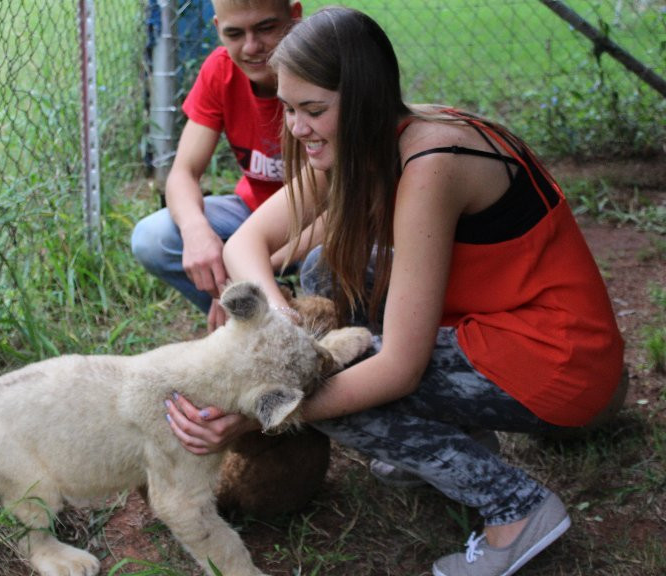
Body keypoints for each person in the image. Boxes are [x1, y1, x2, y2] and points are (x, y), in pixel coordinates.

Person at [163, 7, 625, 576]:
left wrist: (265, 413)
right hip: (491, 327)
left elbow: (398, 369)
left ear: (363, 100)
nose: (296, 128)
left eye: (313, 110)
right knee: (322, 275)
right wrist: (279, 326)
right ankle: (454, 432)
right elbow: (245, 244)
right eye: (288, 108)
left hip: (558, 358)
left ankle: (517, 509)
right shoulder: (360, 140)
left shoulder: (432, 163)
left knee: (332, 396)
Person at [131, 0, 302, 330]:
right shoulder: (221, 69)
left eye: (266, 28)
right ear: (216, 28)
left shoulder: (321, 68)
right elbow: (183, 173)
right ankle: (248, 327)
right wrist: (198, 234)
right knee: (153, 238)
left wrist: (244, 271)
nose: (252, 47)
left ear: (294, 15)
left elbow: (341, 203)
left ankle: (321, 338)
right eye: (235, 33)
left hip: (321, 224)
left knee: (328, 264)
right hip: (254, 214)